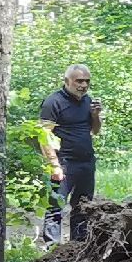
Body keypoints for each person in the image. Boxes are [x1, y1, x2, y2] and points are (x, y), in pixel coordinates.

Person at [38, 64, 102, 242]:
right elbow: (43, 135)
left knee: (83, 206)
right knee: (55, 208)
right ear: (67, 81)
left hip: (86, 162)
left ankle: (77, 248)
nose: (83, 85)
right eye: (79, 81)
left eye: (87, 81)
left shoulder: (88, 101)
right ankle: (53, 251)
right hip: (63, 162)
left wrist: (96, 115)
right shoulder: (53, 102)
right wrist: (54, 165)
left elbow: (94, 131)